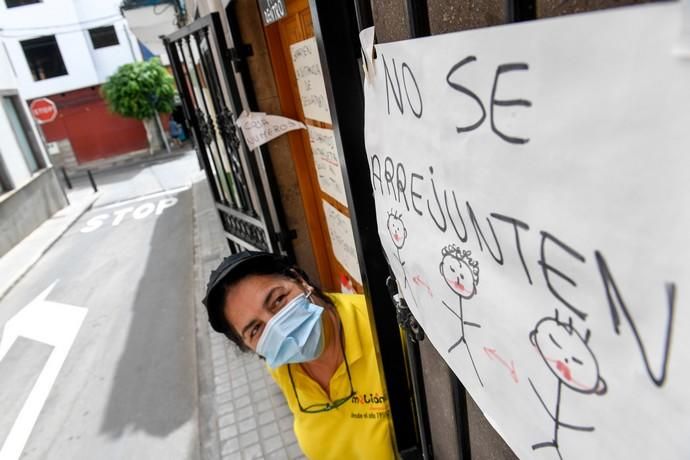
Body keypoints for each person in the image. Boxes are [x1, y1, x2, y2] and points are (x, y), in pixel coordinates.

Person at [203, 251, 396, 459]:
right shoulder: (281, 366)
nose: (279, 330)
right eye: (256, 329)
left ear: (300, 280)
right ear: (249, 346)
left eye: (278, 300)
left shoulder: (385, 326)